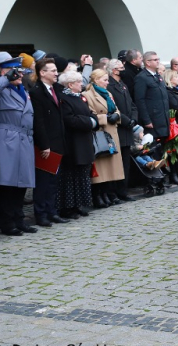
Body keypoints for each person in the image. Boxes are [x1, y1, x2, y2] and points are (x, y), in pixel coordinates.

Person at [0, 56, 38, 236]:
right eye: (13, 70)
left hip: (25, 139)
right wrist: (5, 78)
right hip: (7, 139)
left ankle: (19, 219)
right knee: (7, 183)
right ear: (2, 69)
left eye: (19, 70)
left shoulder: (22, 89)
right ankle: (6, 222)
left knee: (22, 183)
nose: (18, 74)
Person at [30, 58, 69, 227]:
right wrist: (44, 144)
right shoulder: (37, 92)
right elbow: (38, 121)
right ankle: (41, 214)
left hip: (58, 141)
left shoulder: (56, 89)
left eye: (56, 70)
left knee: (53, 181)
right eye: (52, 70)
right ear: (42, 73)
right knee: (43, 182)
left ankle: (52, 211)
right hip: (46, 144)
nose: (56, 73)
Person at [57, 71, 97, 219]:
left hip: (84, 139)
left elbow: (89, 113)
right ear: (70, 84)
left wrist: (92, 120)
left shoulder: (80, 97)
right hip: (73, 142)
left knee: (82, 175)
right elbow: (69, 119)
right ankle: (68, 207)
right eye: (79, 82)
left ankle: (79, 204)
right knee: (70, 176)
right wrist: (88, 121)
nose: (82, 84)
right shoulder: (64, 99)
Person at [83, 69, 125, 208]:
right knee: (101, 168)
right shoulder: (87, 95)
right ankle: (98, 195)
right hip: (100, 133)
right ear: (96, 80)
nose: (107, 83)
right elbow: (89, 113)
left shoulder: (108, 93)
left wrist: (117, 115)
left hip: (112, 131)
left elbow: (116, 108)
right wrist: (104, 118)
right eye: (105, 80)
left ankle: (108, 193)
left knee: (111, 166)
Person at [106, 59, 138, 202]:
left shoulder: (122, 84)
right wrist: (126, 120)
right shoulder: (110, 86)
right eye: (120, 68)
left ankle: (123, 191)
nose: (123, 69)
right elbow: (113, 107)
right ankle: (113, 192)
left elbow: (132, 104)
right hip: (118, 128)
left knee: (125, 162)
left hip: (128, 128)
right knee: (116, 163)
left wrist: (134, 119)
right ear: (113, 70)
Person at [134, 51, 170, 138]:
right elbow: (140, 100)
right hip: (153, 119)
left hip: (163, 118)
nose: (158, 61)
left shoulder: (158, 76)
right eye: (155, 60)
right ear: (148, 62)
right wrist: (146, 120)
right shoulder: (142, 77)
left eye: (158, 59)